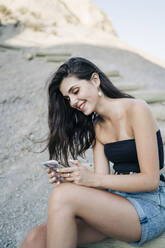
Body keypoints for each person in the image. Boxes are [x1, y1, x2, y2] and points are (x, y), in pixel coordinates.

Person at [21, 57, 165, 248]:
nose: (72, 102)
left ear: (95, 80)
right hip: (117, 200)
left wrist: (91, 179)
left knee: (62, 195)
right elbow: (101, 183)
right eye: (67, 98)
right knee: (36, 237)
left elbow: (150, 180)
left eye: (75, 91)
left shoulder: (137, 109)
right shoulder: (98, 127)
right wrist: (73, 178)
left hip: (150, 204)